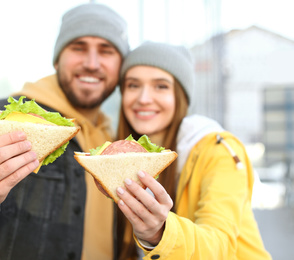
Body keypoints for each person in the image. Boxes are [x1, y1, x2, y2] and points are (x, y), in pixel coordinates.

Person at [0, 3, 132, 260]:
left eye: (106, 51)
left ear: (121, 66)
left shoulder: (113, 140)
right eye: (78, 48)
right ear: (57, 59)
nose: (91, 63)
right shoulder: (7, 118)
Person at [114, 41, 272, 259]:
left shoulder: (219, 152)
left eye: (161, 86)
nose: (143, 98)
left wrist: (161, 234)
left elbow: (220, 245)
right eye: (133, 85)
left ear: (180, 97)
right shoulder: (121, 159)